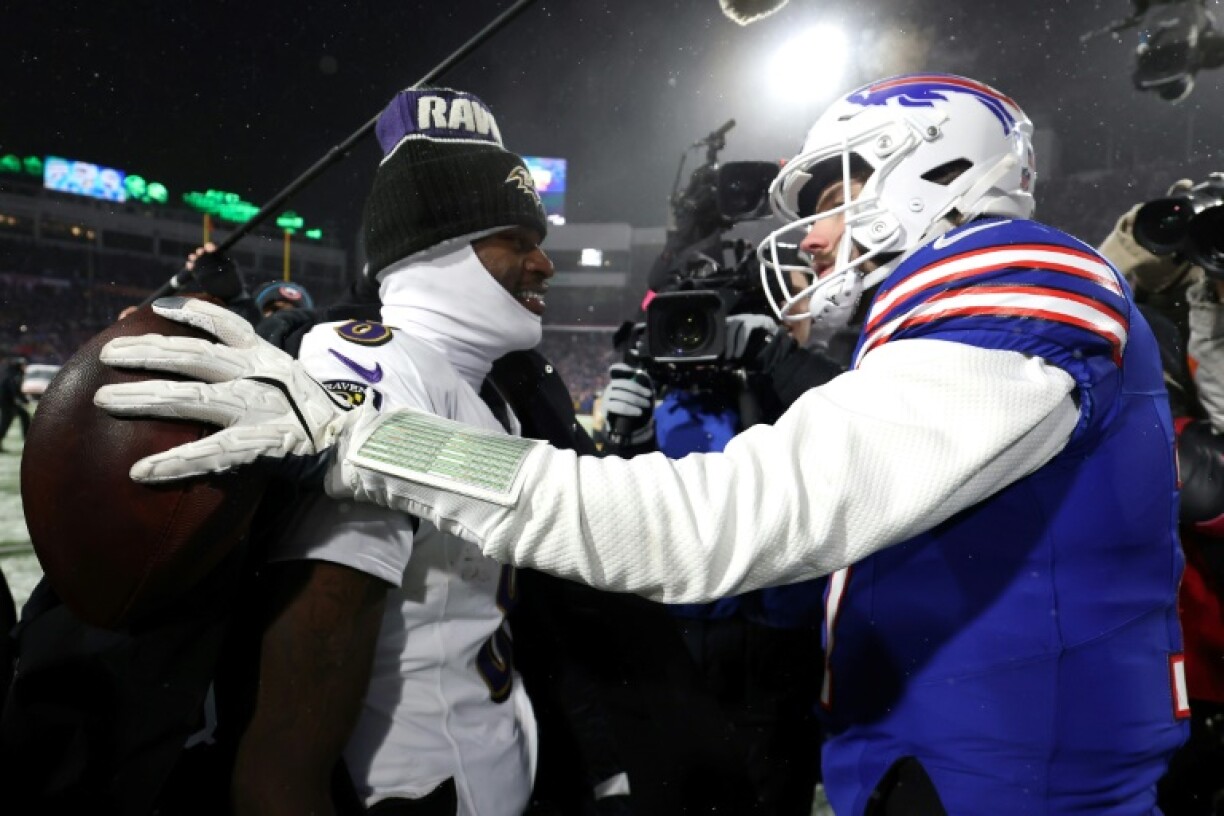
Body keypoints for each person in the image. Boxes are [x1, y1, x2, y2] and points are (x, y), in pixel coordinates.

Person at [98, 73, 1189, 814]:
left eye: (831, 196)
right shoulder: (968, 313)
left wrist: (365, 440)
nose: (810, 235)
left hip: (1016, 772)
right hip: (976, 751)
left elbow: (701, 529)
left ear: (936, 172)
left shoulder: (1019, 275)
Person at [0, 358, 31, 453]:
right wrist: (23, 400)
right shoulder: (15, 375)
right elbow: (13, 389)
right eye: (23, 365)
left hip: (8, 402)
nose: (25, 367)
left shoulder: (13, 373)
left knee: (23, 416)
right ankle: (28, 441)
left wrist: (23, 399)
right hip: (7, 402)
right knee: (6, 422)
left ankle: (28, 440)